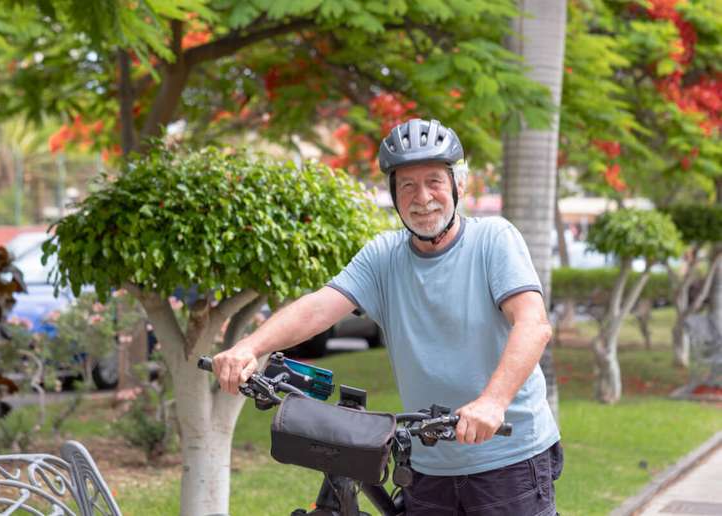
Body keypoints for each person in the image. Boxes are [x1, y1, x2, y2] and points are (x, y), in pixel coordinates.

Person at [213, 119, 563, 515]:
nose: (423, 197)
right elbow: (318, 306)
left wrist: (492, 402)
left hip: (509, 460)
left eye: (434, 181)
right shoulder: (384, 256)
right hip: (428, 464)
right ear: (394, 195)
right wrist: (248, 347)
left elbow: (532, 324)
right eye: (407, 185)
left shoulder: (494, 240)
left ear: (457, 186)